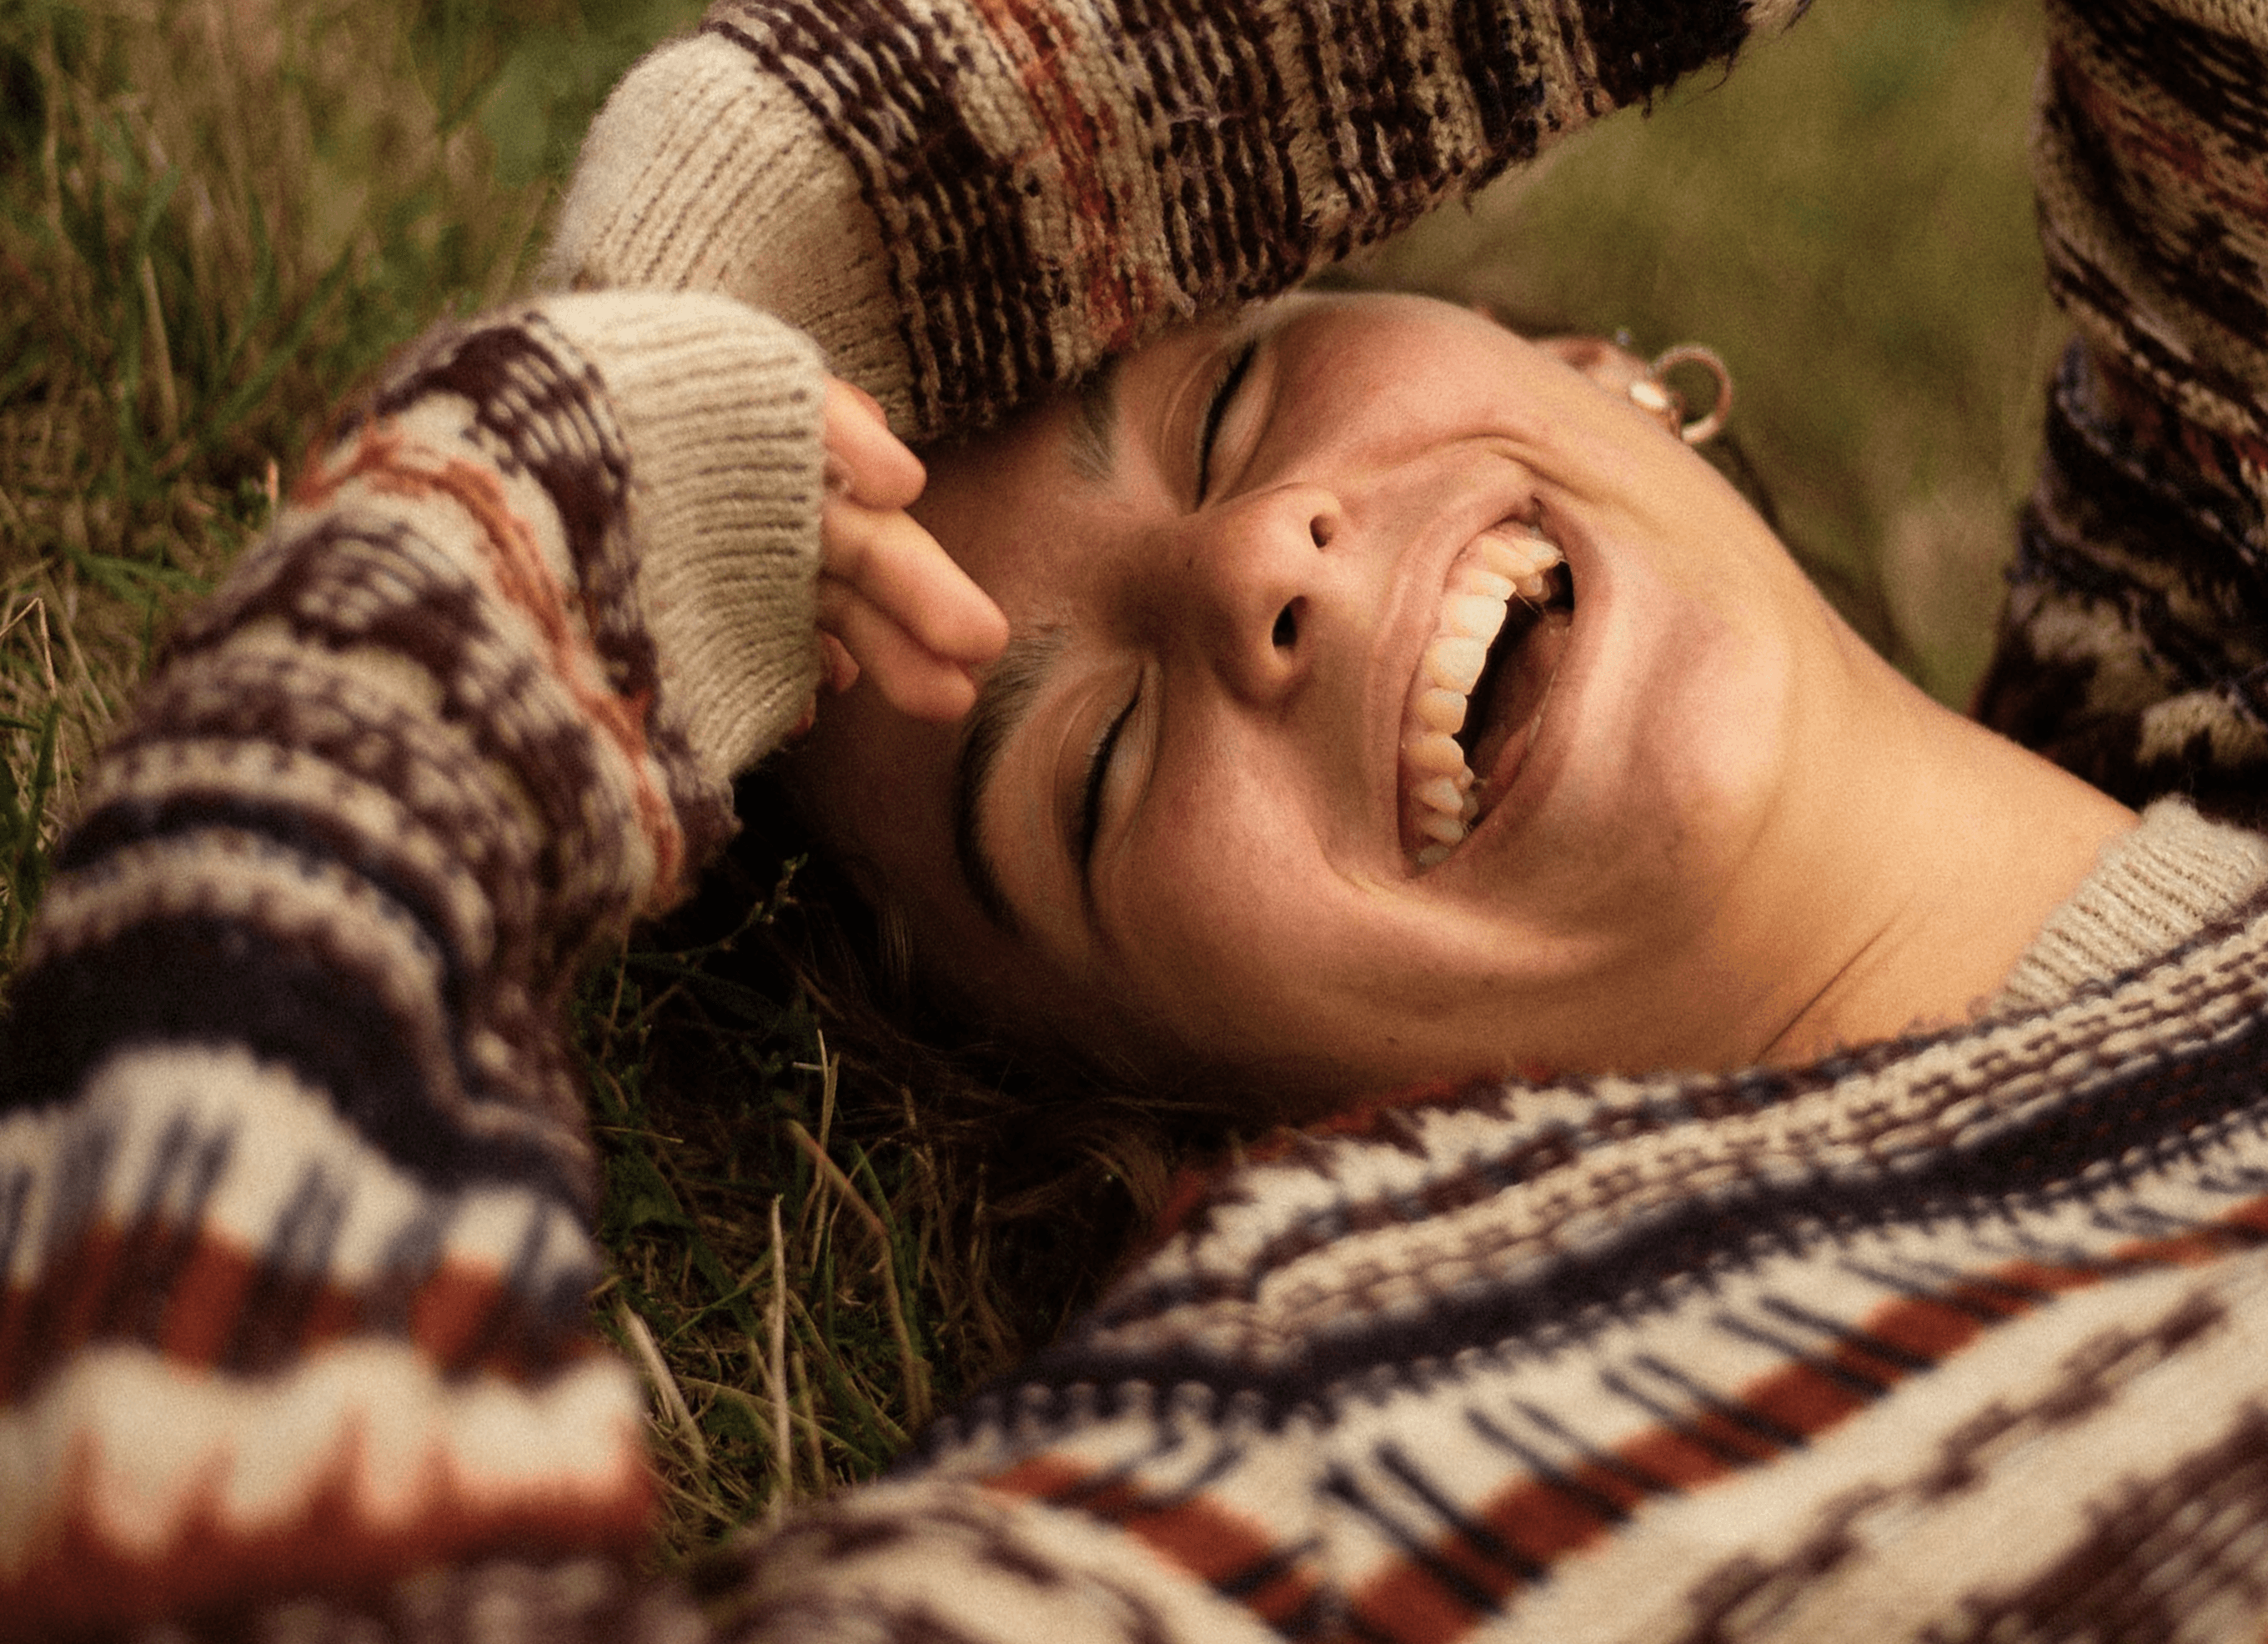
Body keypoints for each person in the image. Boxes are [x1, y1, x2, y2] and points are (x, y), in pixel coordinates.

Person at [5, 1, 2268, 1641]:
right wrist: (484, 578)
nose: (1253, 573)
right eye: (1086, 779)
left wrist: (814, 190)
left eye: (1235, 403)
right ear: (1226, 1149)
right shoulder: (1397, 1444)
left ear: (1590, 372)